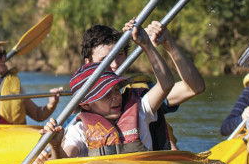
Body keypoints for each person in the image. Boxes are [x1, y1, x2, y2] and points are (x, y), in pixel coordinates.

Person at [44, 22, 175, 158]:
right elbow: (65, 160)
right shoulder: (79, 129)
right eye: (106, 94)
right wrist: (55, 146)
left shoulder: (141, 108)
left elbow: (166, 84)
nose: (116, 97)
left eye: (117, 89)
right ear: (86, 104)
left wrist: (146, 45)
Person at [81, 20, 204, 150]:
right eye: (105, 59)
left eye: (120, 55)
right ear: (88, 63)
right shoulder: (80, 113)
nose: (115, 64)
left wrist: (168, 43)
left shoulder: (141, 95)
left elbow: (193, 88)